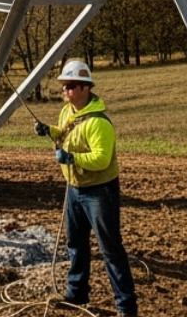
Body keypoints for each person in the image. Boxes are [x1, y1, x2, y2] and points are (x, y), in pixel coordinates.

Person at [34, 59, 137, 317]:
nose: (65, 90)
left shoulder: (99, 123)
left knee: (110, 248)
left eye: (70, 86)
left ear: (85, 88)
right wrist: (49, 131)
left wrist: (72, 158)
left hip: (100, 192)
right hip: (74, 188)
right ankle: (77, 292)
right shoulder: (67, 112)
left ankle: (126, 306)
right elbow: (64, 134)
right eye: (64, 86)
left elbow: (101, 159)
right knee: (76, 243)